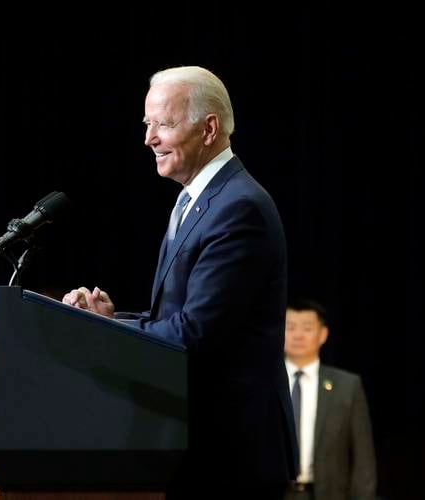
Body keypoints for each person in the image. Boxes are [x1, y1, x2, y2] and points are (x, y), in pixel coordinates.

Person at [63, 65, 297, 496]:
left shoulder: (238, 207)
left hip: (232, 454)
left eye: (163, 125)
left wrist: (109, 331)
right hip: (199, 445)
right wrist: (115, 317)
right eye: (147, 124)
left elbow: (195, 333)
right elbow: (175, 317)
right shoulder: (198, 201)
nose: (149, 139)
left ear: (209, 129)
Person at [283, 298, 377, 500]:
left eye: (307, 328)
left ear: (323, 334)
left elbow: (363, 459)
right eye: (290, 327)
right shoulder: (263, 383)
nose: (298, 335)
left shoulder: (347, 386)